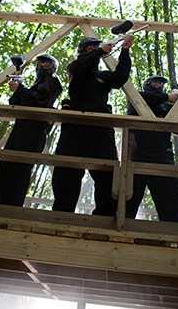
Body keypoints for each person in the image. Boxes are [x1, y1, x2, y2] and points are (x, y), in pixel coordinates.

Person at [52, 35, 134, 216]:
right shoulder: (74, 68)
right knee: (66, 172)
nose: (93, 50)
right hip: (75, 125)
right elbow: (81, 66)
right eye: (89, 48)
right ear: (82, 51)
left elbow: (119, 78)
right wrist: (98, 51)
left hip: (100, 126)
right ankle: (61, 215)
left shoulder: (103, 76)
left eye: (95, 47)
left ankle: (104, 217)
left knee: (107, 172)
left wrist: (125, 51)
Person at [126, 75, 178, 223]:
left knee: (172, 199)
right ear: (147, 85)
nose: (159, 85)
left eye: (161, 83)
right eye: (155, 83)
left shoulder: (165, 107)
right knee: (127, 198)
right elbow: (146, 98)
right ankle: (118, 228)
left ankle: (177, 232)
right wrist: (168, 97)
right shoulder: (137, 99)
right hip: (137, 157)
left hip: (161, 157)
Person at [0, 53, 62, 206]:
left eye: (47, 63)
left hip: (34, 128)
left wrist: (21, 89)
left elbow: (39, 102)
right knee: (5, 167)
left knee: (19, 169)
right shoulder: (35, 84)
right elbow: (15, 103)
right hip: (21, 126)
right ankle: (0, 204)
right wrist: (18, 88)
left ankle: (10, 208)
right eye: (40, 63)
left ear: (53, 67)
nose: (43, 66)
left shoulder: (52, 80)